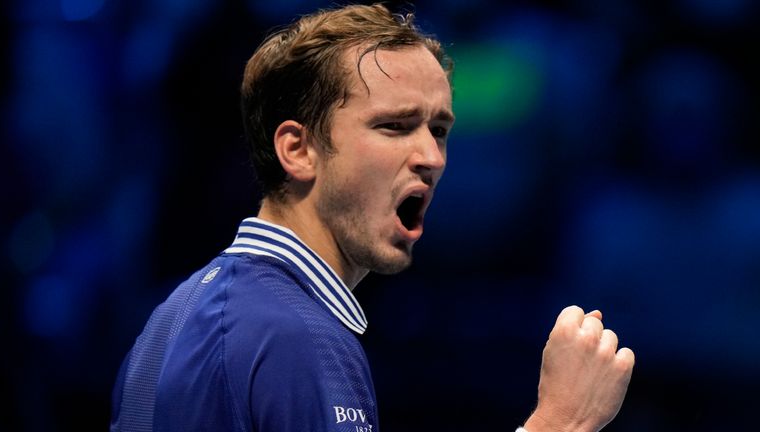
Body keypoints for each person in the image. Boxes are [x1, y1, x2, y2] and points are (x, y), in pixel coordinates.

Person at [110, 4, 634, 432]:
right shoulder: (297, 333)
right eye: (394, 126)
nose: (432, 157)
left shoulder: (174, 316)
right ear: (298, 149)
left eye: (439, 130)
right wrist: (563, 422)